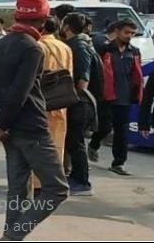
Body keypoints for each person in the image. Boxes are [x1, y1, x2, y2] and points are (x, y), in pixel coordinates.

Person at [0, 0, 68, 241]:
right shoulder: (33, 49)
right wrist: (0, 126)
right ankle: (13, 235)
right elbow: (21, 93)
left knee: (18, 189)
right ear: (43, 19)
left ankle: (9, 236)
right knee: (57, 189)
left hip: (11, 132)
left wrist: (0, 124)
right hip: (33, 128)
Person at [89, 18, 144, 176]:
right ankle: (94, 143)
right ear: (117, 31)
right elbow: (97, 38)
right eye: (127, 32)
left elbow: (136, 74)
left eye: (132, 33)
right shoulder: (104, 49)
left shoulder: (134, 51)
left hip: (125, 97)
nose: (129, 36)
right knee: (104, 126)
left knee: (121, 131)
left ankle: (118, 163)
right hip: (106, 96)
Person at [30, 17, 72, 194]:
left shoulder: (38, 47)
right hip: (62, 101)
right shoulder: (65, 47)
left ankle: (37, 183)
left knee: (38, 144)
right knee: (57, 143)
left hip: (42, 101)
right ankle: (54, 180)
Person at [61, 12, 98, 195]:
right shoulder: (74, 44)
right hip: (74, 100)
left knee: (76, 142)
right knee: (71, 141)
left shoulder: (80, 45)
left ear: (66, 26)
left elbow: (83, 78)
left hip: (79, 101)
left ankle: (82, 181)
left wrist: (74, 96)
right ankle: (75, 176)